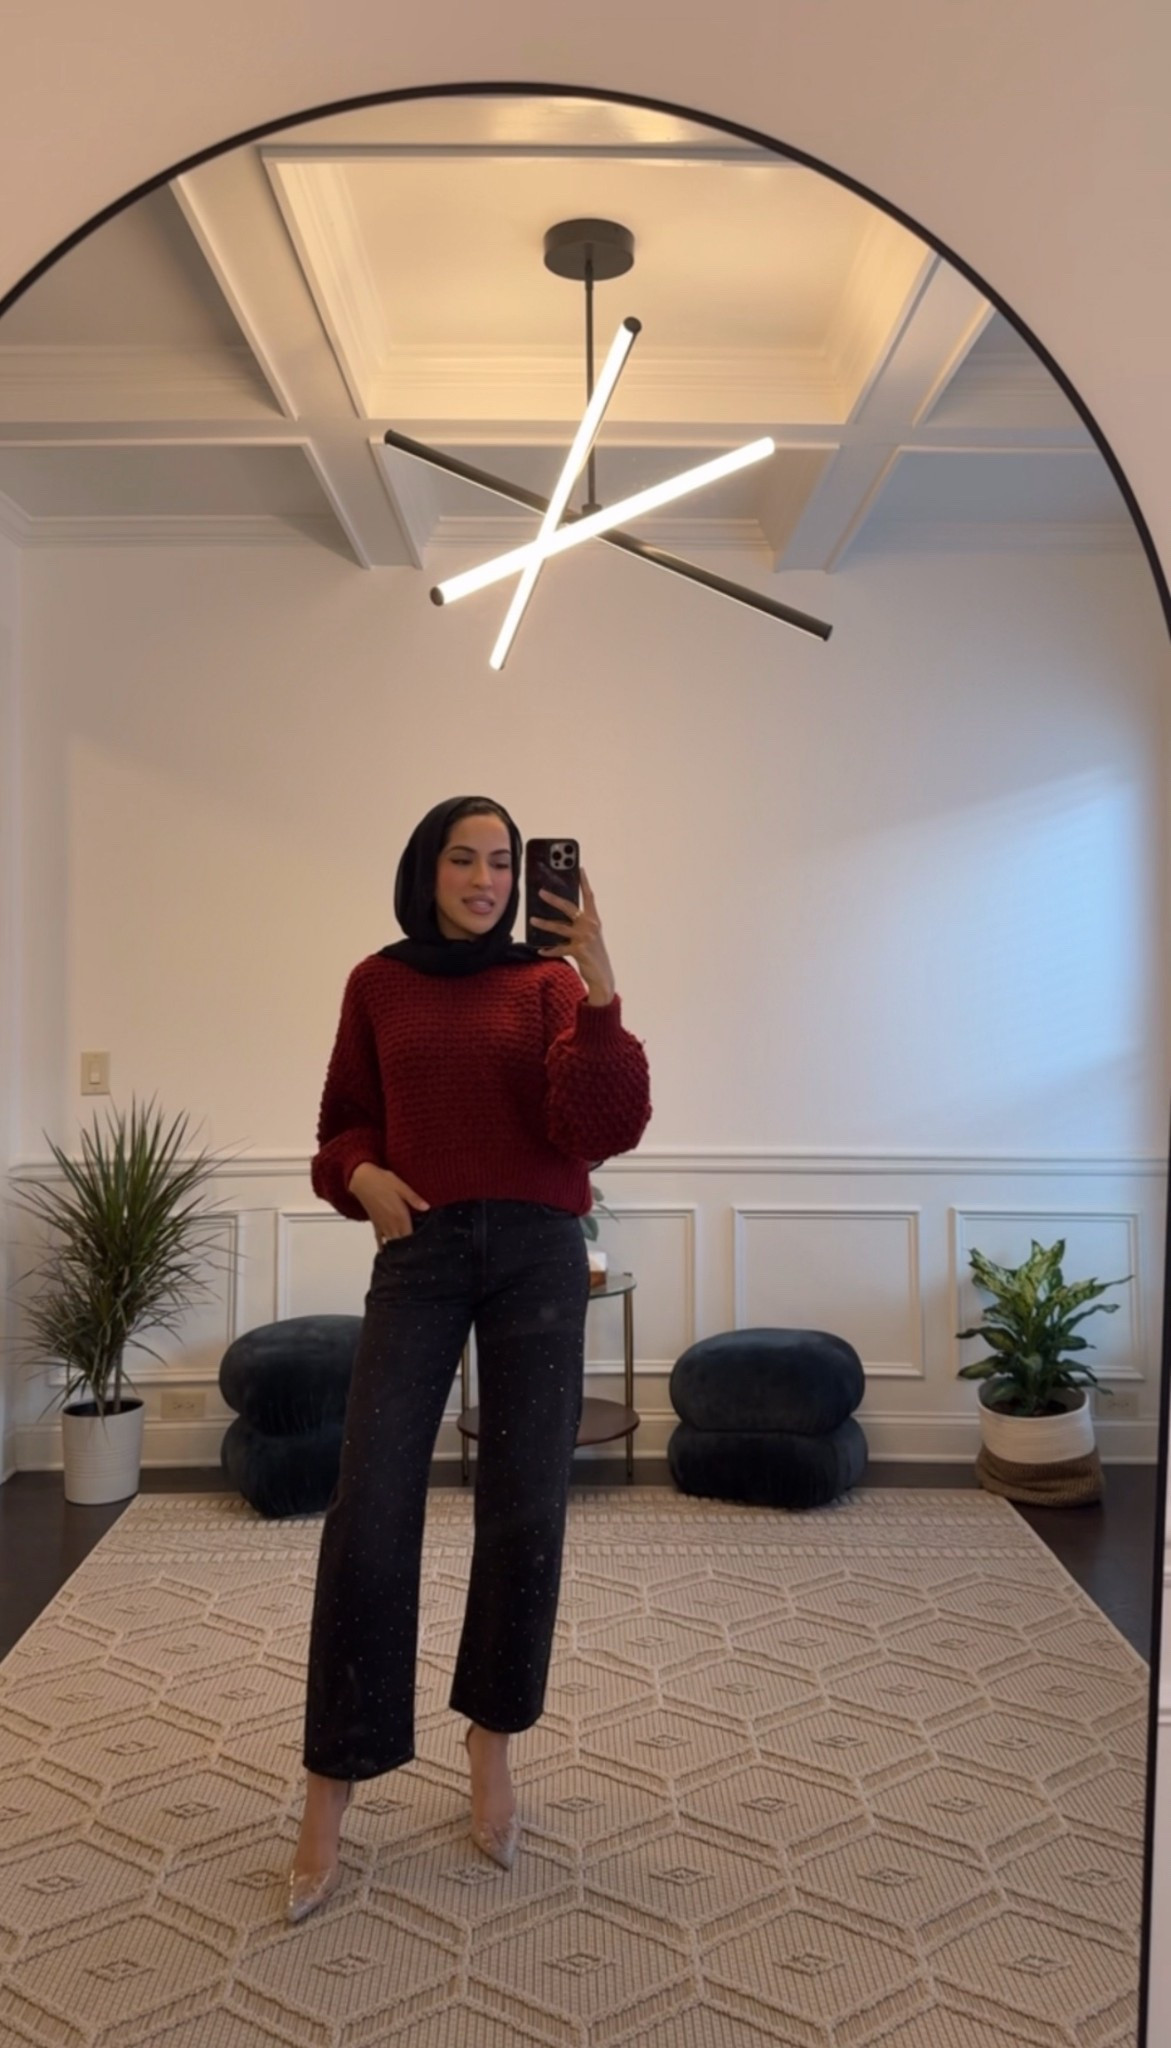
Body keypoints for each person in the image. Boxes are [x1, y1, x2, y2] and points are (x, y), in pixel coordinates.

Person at [288, 794, 651, 1922]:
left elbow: (599, 1129)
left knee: (525, 1503)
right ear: (427, 868)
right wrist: (361, 1176)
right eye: (465, 858)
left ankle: (491, 1744)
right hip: (423, 1249)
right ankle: (331, 1780)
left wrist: (598, 983)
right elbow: (342, 1125)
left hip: (539, 1253)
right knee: (370, 1503)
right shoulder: (377, 983)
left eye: (503, 861)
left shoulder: (546, 984)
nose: (487, 879)